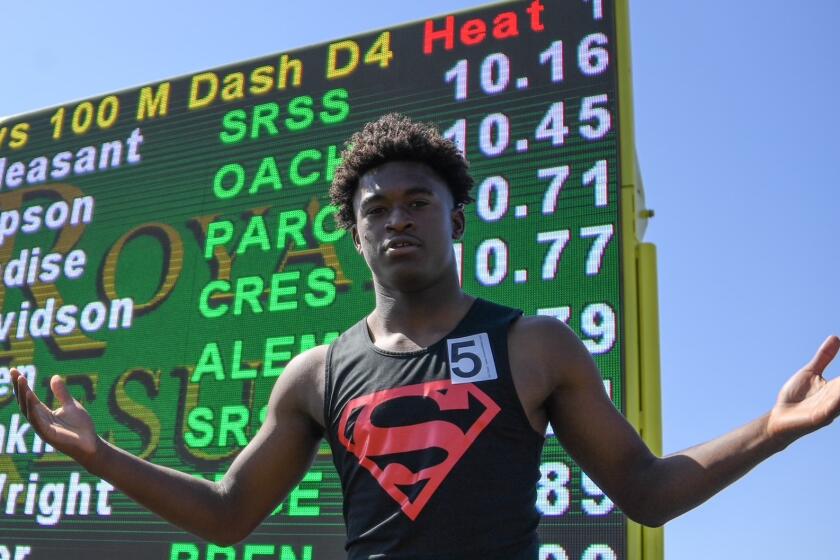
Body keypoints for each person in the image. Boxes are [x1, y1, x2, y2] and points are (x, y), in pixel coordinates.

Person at [11, 114, 840, 559]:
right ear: (354, 234)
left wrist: (771, 430)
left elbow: (648, 492)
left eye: (417, 202)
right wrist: (100, 456)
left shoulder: (535, 345)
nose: (397, 219)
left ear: (456, 217)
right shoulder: (314, 375)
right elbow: (230, 517)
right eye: (376, 209)